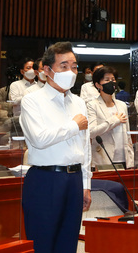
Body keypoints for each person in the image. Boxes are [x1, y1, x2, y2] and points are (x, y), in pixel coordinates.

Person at [20, 41, 91, 253]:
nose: (71, 71)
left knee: (68, 243)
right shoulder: (32, 100)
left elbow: (85, 146)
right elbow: (39, 139)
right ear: (47, 69)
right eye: (64, 66)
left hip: (75, 179)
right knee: (43, 243)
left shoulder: (78, 102)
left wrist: (86, 183)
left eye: (74, 66)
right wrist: (73, 125)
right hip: (46, 179)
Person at [87, 66, 134, 169]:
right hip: (103, 157)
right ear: (98, 85)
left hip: (123, 157)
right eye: (107, 80)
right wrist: (114, 120)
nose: (111, 83)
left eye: (113, 80)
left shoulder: (121, 105)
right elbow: (91, 132)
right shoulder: (92, 105)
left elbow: (127, 133)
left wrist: (131, 157)